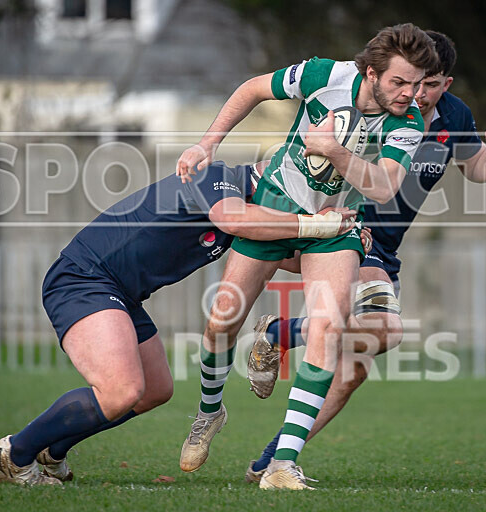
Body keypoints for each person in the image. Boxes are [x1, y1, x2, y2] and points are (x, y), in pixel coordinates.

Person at [243, 30, 486, 483]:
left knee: (351, 372)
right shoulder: (378, 108)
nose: (416, 93)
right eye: (410, 83)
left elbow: (476, 170)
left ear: (445, 84)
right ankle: (280, 334)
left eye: (429, 84)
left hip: (388, 247)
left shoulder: (454, 116)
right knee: (385, 329)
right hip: (354, 231)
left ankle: (273, 458)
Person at [175, 24, 439, 490]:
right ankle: (210, 412)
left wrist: (335, 152)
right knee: (221, 320)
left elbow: (383, 186)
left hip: (337, 226)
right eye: (400, 82)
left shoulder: (409, 121)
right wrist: (208, 141)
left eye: (418, 83)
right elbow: (253, 88)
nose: (411, 93)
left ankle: (282, 465)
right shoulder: (324, 75)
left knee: (328, 326)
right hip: (276, 206)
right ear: (371, 73)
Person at [0, 161, 358, 486]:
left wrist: (346, 240)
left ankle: (53, 451)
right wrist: (315, 225)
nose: (289, 204)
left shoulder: (248, 214)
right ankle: (17, 452)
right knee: (121, 391)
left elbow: (288, 253)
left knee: (155, 390)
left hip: (122, 294)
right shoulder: (218, 178)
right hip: (84, 279)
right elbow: (236, 218)